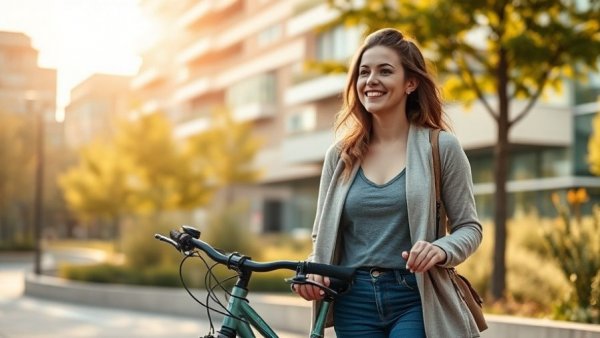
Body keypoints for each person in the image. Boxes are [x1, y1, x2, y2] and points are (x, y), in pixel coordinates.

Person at [292, 28, 483, 338]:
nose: (371, 80)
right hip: (352, 300)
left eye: (385, 71)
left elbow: (469, 228)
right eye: (363, 72)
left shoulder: (441, 147)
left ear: (411, 82)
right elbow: (322, 234)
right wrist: (313, 272)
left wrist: (440, 249)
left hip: (416, 296)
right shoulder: (340, 155)